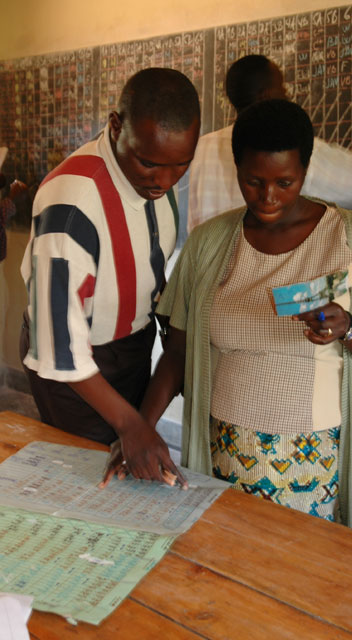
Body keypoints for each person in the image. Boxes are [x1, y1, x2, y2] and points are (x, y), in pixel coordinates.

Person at [103, 99, 352, 532]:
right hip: (223, 449)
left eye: (285, 182)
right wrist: (139, 430)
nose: (268, 196)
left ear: (305, 169)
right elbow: (177, 354)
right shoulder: (209, 243)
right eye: (253, 181)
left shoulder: (349, 235)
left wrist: (347, 327)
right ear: (237, 169)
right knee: (224, 554)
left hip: (311, 460)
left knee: (300, 561)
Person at [20, 68, 200, 485]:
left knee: (125, 464)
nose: (163, 181)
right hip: (77, 368)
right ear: (117, 126)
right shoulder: (72, 204)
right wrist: (131, 425)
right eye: (149, 163)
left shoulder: (157, 173)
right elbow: (58, 347)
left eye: (180, 166)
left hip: (132, 348)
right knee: (89, 475)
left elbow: (148, 265)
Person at [187, 54, 352, 232]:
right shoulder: (291, 152)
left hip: (209, 275)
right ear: (266, 96)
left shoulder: (202, 148)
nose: (287, 93)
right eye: (281, 87)